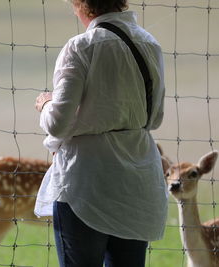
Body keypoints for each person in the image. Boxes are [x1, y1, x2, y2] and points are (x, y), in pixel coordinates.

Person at [34, 0, 168, 266]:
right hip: (137, 178)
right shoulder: (149, 44)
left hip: (85, 182)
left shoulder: (80, 46)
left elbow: (58, 123)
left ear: (82, 6)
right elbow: (156, 117)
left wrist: (45, 103)